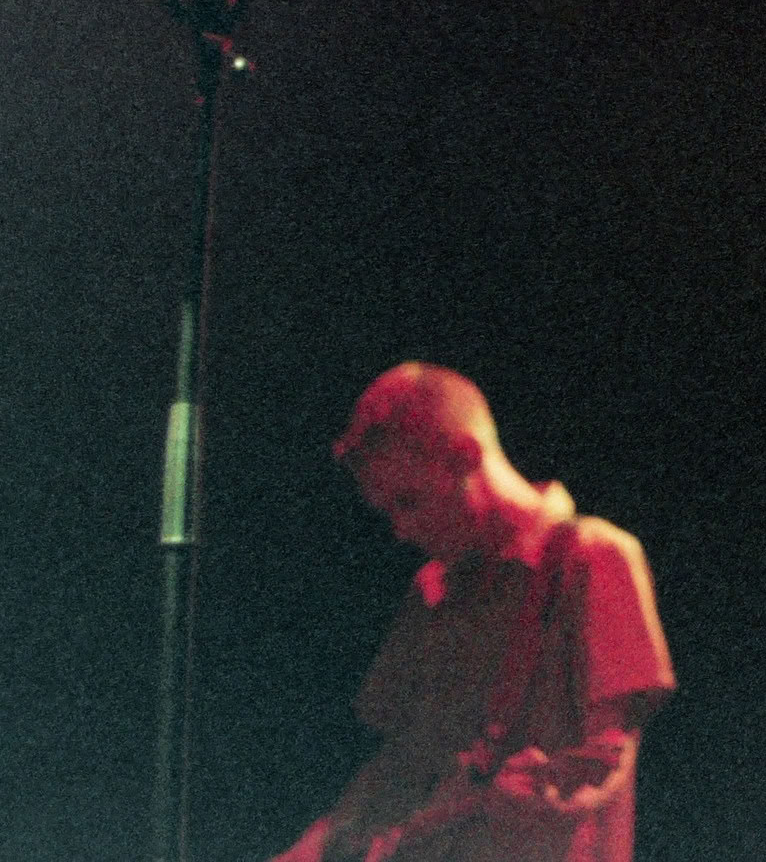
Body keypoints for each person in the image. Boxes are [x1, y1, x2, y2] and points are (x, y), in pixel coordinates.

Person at [267, 363, 674, 862]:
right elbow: (399, 764)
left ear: (465, 456)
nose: (399, 530)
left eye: (409, 502)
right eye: (387, 511)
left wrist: (558, 793)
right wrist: (322, 845)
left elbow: (610, 754)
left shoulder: (594, 558)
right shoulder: (432, 589)